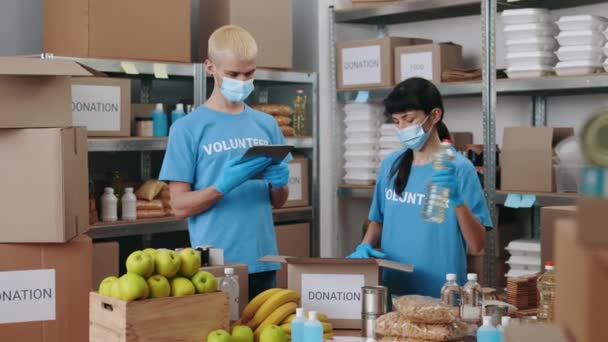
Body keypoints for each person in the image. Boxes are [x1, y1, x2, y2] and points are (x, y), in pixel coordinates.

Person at [159, 25, 291, 299]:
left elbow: (278, 201)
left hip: (264, 260)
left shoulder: (266, 124)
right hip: (215, 265)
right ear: (210, 67)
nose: (242, 81)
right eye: (233, 74)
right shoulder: (187, 129)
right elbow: (180, 207)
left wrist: (279, 184)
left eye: (249, 73)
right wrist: (221, 186)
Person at [347, 77, 492, 298]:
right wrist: (363, 249)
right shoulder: (390, 165)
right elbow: (378, 220)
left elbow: (477, 244)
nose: (402, 128)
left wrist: (458, 201)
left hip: (441, 293)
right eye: (396, 122)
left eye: (409, 119)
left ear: (434, 116)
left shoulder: (459, 169)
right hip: (393, 289)